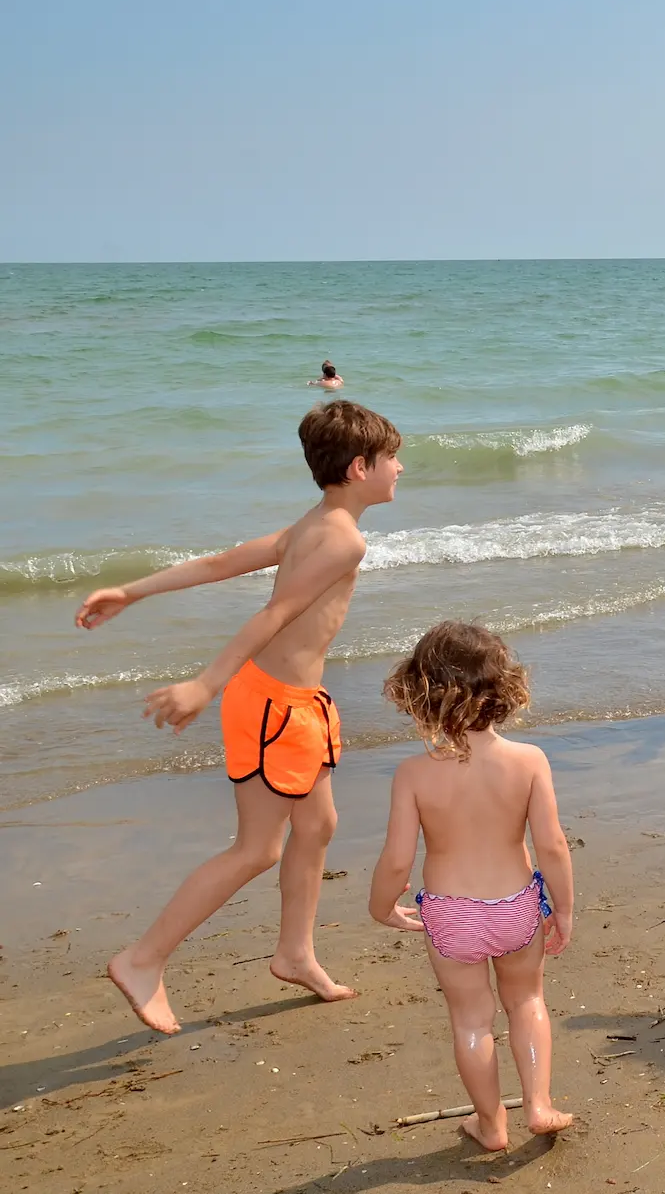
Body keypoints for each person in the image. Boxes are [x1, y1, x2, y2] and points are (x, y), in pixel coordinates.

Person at [75, 400, 403, 1033]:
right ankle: (142, 961)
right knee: (257, 849)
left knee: (318, 824)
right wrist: (205, 683)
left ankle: (295, 953)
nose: (400, 469)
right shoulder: (343, 540)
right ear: (361, 467)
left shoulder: (316, 523)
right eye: (393, 458)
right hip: (272, 708)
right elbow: (275, 614)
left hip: (298, 703)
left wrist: (131, 591)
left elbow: (221, 563)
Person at [370, 622, 576, 1150]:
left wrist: (382, 907)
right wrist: (566, 908)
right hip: (517, 907)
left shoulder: (414, 774)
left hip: (451, 914)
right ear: (506, 688)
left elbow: (398, 859)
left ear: (418, 693)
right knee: (527, 1001)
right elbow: (552, 845)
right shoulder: (528, 761)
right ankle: (538, 1104)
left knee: (471, 1020)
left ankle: (490, 1125)